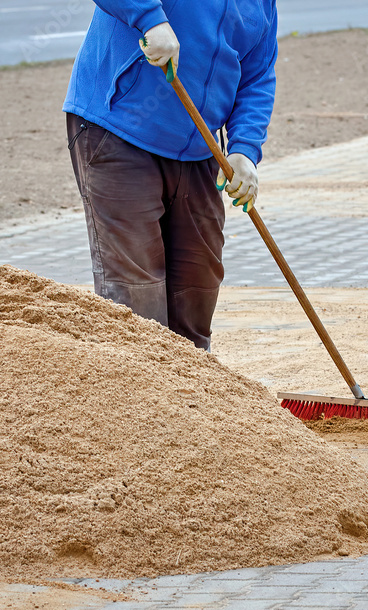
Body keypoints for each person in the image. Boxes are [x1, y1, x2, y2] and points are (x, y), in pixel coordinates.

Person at [63, 0, 278, 351]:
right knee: (136, 296)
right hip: (119, 129)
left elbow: (257, 75)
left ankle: (190, 399)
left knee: (196, 290)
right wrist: (150, 20)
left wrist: (244, 150)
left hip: (199, 147)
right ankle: (137, 399)